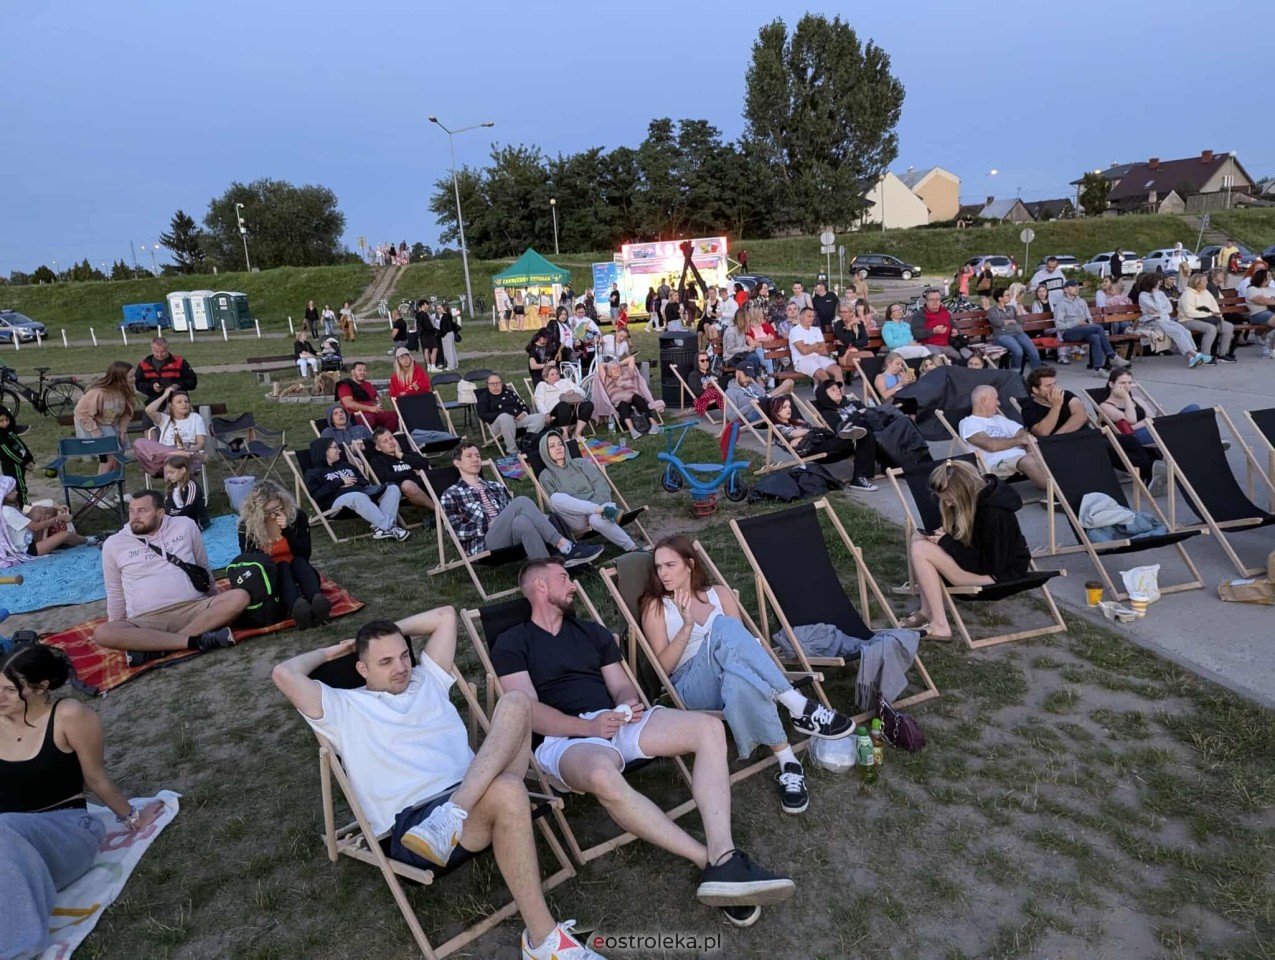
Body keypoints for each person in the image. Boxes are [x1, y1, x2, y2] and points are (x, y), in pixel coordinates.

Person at [271, 608, 608, 960]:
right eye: (385, 661)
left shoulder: (424, 679)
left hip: (469, 795)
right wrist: (334, 652)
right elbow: (284, 673)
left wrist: (390, 630)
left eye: (404, 655)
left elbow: (447, 616)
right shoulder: (343, 706)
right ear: (362, 668)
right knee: (510, 789)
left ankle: (453, 812)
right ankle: (543, 941)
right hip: (416, 824)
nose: (401, 667)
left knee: (517, 701)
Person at [491, 557, 796, 926]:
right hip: (566, 739)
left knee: (709, 730)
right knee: (604, 776)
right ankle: (708, 861)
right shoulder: (513, 643)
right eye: (563, 578)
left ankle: (724, 854)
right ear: (540, 587)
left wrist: (625, 704)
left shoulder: (592, 632)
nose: (573, 585)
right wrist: (588, 728)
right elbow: (528, 711)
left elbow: (620, 683)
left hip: (616, 721)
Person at [639, 535, 854, 816]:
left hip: (731, 677)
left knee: (740, 678)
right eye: (658, 567)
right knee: (724, 629)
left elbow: (741, 648)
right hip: (692, 684)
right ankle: (798, 705)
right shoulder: (656, 606)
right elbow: (662, 669)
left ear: (689, 564)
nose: (663, 573)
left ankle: (788, 763)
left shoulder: (720, 594)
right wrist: (687, 627)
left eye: (670, 565)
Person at [0, 643, 168, 960]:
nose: (0, 697)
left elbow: (96, 778)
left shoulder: (69, 716)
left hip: (66, 831)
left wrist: (133, 818)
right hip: (10, 843)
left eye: (10, 690)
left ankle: (17, 948)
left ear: (40, 687)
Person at [94, 490, 249, 663]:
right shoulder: (114, 544)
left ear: (160, 512)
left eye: (142, 511)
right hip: (147, 620)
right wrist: (119, 628)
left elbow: (202, 567)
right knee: (103, 633)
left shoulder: (185, 526)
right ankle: (193, 640)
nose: (134, 517)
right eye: (131, 511)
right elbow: (114, 590)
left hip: (194, 608)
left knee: (239, 597)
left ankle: (160, 646)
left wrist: (215, 602)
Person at [901, 459, 1031, 639]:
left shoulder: (995, 513)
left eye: (949, 499)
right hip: (979, 566)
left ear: (964, 493)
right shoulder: (971, 501)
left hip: (1000, 576)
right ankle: (927, 611)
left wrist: (947, 544)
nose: (947, 505)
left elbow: (990, 565)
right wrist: (944, 538)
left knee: (922, 549)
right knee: (919, 538)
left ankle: (940, 625)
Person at [440, 443, 603, 565]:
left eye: (477, 455)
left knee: (522, 521)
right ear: (457, 463)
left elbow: (517, 513)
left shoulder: (495, 486)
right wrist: (488, 525)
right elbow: (456, 532)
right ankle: (565, 546)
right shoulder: (451, 494)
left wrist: (537, 519)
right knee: (521, 501)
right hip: (484, 544)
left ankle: (548, 569)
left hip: (509, 535)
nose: (475, 459)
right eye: (469, 456)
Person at [1021, 367, 1159, 485]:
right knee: (1104, 447)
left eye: (1055, 383)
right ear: (1035, 389)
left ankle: (1149, 469)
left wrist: (1058, 436)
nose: (1054, 389)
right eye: (1048, 386)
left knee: (1129, 440)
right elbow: (1043, 432)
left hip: (1086, 436)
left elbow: (1081, 416)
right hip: (1067, 446)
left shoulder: (1067, 395)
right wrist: (1056, 407)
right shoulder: (1029, 408)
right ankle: (1152, 469)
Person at [237, 480, 331, 628]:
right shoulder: (247, 527)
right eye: (268, 512)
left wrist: (287, 531)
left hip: (297, 564)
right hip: (271, 571)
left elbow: (305, 552)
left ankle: (317, 601)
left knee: (299, 562)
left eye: (278, 509)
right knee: (282, 567)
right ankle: (298, 609)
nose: (274, 515)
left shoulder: (297, 516)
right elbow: (251, 561)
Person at [536, 433, 638, 552]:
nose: (558, 448)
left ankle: (634, 548)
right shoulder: (546, 476)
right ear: (545, 451)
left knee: (595, 519)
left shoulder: (580, 463)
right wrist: (595, 509)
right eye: (552, 446)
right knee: (555, 498)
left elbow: (601, 485)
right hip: (576, 518)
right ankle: (603, 511)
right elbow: (555, 506)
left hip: (598, 508)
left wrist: (595, 506)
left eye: (560, 444)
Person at [304, 438, 409, 542]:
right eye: (335, 448)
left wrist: (353, 482)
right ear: (324, 451)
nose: (339, 450)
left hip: (362, 494)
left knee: (392, 489)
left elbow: (364, 481)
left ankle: (382, 528)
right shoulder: (313, 473)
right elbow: (317, 495)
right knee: (357, 496)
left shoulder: (345, 465)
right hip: (335, 503)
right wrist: (339, 483)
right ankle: (390, 527)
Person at [768, 394, 877, 491]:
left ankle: (859, 478)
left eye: (789, 406)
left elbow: (806, 432)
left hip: (825, 444)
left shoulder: (798, 422)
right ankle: (847, 433)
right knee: (855, 436)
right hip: (815, 450)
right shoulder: (778, 427)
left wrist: (807, 434)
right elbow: (795, 433)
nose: (789, 409)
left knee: (866, 436)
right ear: (776, 410)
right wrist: (808, 432)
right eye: (784, 407)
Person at [958, 385, 1047, 488]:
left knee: (1041, 448)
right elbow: (991, 445)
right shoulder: (968, 423)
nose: (999, 403)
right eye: (996, 399)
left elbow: (1024, 434)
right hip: (997, 464)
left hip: (1024, 457)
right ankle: (1058, 494)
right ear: (983, 401)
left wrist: (1025, 442)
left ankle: (1061, 488)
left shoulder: (999, 419)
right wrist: (1019, 441)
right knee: (1029, 461)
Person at [73, 360, 135, 492]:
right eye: (130, 376)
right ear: (120, 377)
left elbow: (127, 413)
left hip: (115, 426)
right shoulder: (98, 392)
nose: (134, 379)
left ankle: (120, 492)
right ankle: (97, 493)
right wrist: (95, 431)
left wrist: (123, 430)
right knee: (109, 460)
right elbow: (81, 412)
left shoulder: (126, 390)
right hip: (99, 426)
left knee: (119, 460)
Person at [1097, 369, 1200, 448]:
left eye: (1129, 383)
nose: (1127, 386)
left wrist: (1146, 422)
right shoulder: (1106, 406)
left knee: (1193, 408)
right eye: (1122, 383)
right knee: (1182, 428)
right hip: (1135, 437)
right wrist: (1127, 397)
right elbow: (1130, 422)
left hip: (1152, 429)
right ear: (1111, 384)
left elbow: (1152, 419)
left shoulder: (1137, 399)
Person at [1135, 273, 1214, 368]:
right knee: (1176, 332)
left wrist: (1158, 311)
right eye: (1158, 283)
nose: (1160, 285)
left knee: (1186, 331)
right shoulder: (1143, 296)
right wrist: (1155, 295)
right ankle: (1196, 355)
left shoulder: (1160, 293)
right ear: (1152, 283)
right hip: (1152, 322)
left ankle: (1191, 358)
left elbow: (1169, 308)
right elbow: (1159, 307)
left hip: (1165, 320)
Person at [1053, 278, 1129, 374]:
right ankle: (1112, 356)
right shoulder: (1061, 305)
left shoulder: (1081, 302)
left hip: (1084, 329)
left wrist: (1088, 323)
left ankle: (1098, 369)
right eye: (1073, 286)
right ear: (1065, 289)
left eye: (1077, 286)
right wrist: (1076, 323)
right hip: (1068, 333)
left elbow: (1089, 318)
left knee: (1095, 337)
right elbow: (1059, 325)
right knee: (1098, 328)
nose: (1076, 288)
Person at [3, 476, 91, 556]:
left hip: (29, 539)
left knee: (38, 509)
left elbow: (25, 510)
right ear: (5, 494)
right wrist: (59, 518)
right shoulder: (7, 512)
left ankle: (46, 542)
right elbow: (36, 527)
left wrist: (54, 508)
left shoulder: (8, 506)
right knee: (65, 535)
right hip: (26, 550)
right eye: (13, 491)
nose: (16, 492)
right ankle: (92, 540)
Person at [365, 427, 435, 514]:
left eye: (391, 438)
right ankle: (438, 510)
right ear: (378, 448)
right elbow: (386, 477)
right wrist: (412, 472)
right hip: (404, 489)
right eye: (385, 441)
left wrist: (400, 455)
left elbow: (424, 464)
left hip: (424, 482)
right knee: (407, 485)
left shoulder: (408, 454)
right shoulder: (378, 461)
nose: (390, 442)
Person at [477, 373, 549, 453]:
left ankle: (528, 441)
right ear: (488, 385)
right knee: (505, 417)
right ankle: (512, 450)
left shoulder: (509, 393)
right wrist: (507, 412)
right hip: (497, 425)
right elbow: (483, 415)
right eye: (492, 383)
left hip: (517, 421)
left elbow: (523, 406)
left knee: (540, 417)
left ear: (502, 383)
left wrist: (524, 413)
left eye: (498, 383)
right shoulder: (484, 398)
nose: (495, 385)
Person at [1179, 273, 1236, 363]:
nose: (1207, 283)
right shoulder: (1187, 294)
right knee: (1210, 329)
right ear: (1197, 283)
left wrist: (1218, 316)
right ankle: (1205, 357)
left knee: (1228, 326)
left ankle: (1222, 354)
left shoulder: (1206, 292)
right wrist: (1208, 315)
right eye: (1204, 281)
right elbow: (1189, 312)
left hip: (1207, 319)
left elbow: (1214, 307)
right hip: (1188, 320)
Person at [599, 356, 660, 438]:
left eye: (618, 368)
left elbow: (631, 358)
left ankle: (653, 423)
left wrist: (617, 364)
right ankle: (632, 430)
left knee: (637, 398)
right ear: (609, 373)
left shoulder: (627, 374)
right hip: (619, 402)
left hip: (633, 398)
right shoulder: (606, 380)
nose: (617, 369)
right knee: (623, 404)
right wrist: (611, 364)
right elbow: (600, 365)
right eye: (614, 369)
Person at [986, 286, 1042, 372]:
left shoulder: (1011, 308)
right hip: (1002, 335)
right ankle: (1015, 374)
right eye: (1007, 295)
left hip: (1018, 333)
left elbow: (1020, 321)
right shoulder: (992, 311)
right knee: (1018, 351)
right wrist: (1010, 320)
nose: (1009, 297)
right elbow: (997, 323)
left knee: (1033, 351)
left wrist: (1019, 306)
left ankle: (1038, 373)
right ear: (1000, 298)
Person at [533, 365, 593, 441]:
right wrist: (545, 413)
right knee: (563, 405)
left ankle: (576, 434)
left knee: (588, 404)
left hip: (573, 411)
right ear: (546, 378)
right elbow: (538, 401)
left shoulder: (566, 381)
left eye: (557, 374)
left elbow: (583, 394)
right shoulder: (542, 385)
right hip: (555, 415)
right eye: (552, 374)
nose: (556, 376)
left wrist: (574, 391)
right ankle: (565, 436)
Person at [724, 357, 793, 424]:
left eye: (750, 376)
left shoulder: (753, 384)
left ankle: (795, 428)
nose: (748, 379)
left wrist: (765, 397)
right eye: (746, 375)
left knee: (789, 383)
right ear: (737, 373)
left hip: (766, 404)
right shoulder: (731, 392)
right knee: (784, 405)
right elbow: (731, 417)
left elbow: (763, 393)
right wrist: (752, 404)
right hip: (754, 413)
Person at [335, 361, 399, 431]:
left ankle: (386, 437)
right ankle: (368, 439)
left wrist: (379, 407)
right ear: (353, 372)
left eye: (364, 370)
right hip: (357, 415)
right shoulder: (345, 385)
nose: (362, 372)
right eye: (359, 370)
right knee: (368, 419)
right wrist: (369, 408)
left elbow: (376, 399)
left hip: (374, 412)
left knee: (392, 415)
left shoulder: (368, 385)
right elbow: (348, 404)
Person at [789, 307, 843, 383]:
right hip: (802, 360)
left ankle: (841, 394)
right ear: (801, 316)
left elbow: (824, 350)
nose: (811, 319)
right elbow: (804, 351)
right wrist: (816, 345)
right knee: (823, 374)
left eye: (813, 316)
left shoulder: (816, 330)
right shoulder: (795, 331)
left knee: (837, 369)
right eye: (809, 316)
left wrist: (809, 346)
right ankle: (828, 394)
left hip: (818, 357)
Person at [134, 336, 197, 401]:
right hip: (155, 401)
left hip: (177, 400)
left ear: (167, 348)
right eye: (156, 352)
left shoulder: (180, 362)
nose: (160, 355)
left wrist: (179, 385)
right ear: (152, 349)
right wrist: (152, 387)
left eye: (163, 351)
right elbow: (138, 384)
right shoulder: (144, 364)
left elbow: (192, 382)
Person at [908, 290, 961, 362]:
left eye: (937, 299)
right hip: (929, 345)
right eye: (931, 300)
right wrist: (933, 331)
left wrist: (955, 331)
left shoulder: (945, 312)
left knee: (959, 359)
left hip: (946, 345)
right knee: (938, 360)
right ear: (926, 301)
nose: (935, 302)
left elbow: (953, 326)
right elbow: (916, 333)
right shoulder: (920, 315)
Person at [162, 454, 209, 529]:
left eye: (171, 472)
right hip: (177, 518)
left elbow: (189, 508)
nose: (168, 476)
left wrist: (172, 512)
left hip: (195, 520)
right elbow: (167, 504)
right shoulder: (171, 485)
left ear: (183, 470)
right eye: (167, 473)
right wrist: (169, 511)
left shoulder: (191, 485)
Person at [0, 404, 33, 508]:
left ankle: (23, 506)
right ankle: (24, 508)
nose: (5, 423)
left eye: (7, 419)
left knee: (22, 485)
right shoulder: (0, 436)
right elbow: (8, 453)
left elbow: (21, 444)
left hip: (21, 464)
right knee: (19, 488)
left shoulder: (10, 431)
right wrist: (24, 463)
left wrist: (30, 459)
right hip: (13, 465)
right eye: (1, 421)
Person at [1244, 268, 1275, 358]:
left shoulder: (1272, 289)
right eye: (1268, 276)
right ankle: (1272, 350)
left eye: (1271, 276)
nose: (1271, 278)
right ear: (1262, 277)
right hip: (1258, 313)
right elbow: (1261, 301)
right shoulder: (1252, 289)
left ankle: (1268, 339)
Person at [437, 303, 459, 372]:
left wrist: (441, 334)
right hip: (451, 333)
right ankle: (455, 363)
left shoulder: (444, 317)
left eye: (440, 308)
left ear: (443, 309)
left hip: (446, 334)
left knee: (448, 350)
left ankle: (450, 365)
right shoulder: (449, 315)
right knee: (452, 349)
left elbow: (444, 328)